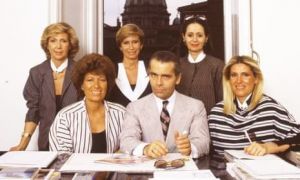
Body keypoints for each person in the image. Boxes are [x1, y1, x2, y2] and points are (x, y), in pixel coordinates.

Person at [120, 51, 210, 158]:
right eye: (153, 75)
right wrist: (146, 148)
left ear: (178, 78)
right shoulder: (134, 107)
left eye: (165, 77)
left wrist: (191, 148)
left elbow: (203, 142)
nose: (158, 82)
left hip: (183, 171)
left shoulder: (196, 106)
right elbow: (126, 141)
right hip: (148, 172)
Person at [208, 55, 300, 156]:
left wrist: (269, 147)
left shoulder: (271, 109)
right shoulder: (216, 114)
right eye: (234, 75)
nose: (239, 80)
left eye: (245, 75)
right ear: (228, 80)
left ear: (256, 79)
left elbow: (297, 139)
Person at [10, 22, 80, 151]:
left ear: (70, 45)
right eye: (53, 41)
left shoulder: (80, 71)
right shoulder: (36, 73)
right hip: (46, 142)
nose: (58, 46)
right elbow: (33, 110)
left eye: (63, 41)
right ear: (47, 45)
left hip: (78, 141)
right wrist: (23, 143)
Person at [49, 53, 126, 153]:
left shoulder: (121, 113)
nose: (96, 85)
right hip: (74, 169)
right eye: (90, 80)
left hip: (113, 168)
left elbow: (130, 146)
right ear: (81, 85)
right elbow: (61, 158)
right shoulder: (65, 117)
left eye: (102, 80)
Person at [177, 16, 224, 113]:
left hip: (209, 124)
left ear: (206, 38)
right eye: (190, 35)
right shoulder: (176, 65)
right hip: (180, 125)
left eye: (199, 35)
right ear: (183, 37)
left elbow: (223, 101)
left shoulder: (217, 66)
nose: (195, 39)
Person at [107, 23, 152, 107]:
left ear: (141, 45)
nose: (131, 47)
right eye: (126, 43)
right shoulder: (112, 72)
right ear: (120, 47)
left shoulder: (151, 69)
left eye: (135, 42)